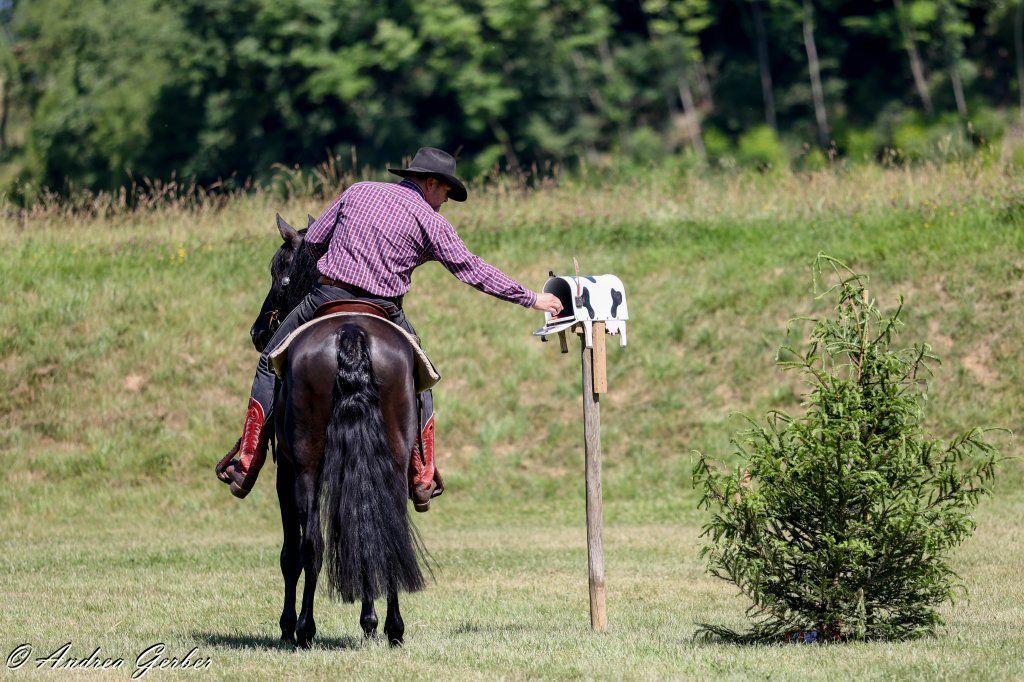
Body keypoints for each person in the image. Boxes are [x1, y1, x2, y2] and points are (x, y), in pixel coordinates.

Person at [216, 147, 563, 509]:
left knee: (269, 360)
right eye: (446, 193)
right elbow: (473, 270)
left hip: (327, 297)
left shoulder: (358, 191)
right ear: (431, 183)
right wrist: (531, 298)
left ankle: (247, 462)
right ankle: (422, 473)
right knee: (422, 378)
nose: (444, 202)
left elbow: (314, 241)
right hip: (384, 309)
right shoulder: (431, 222)